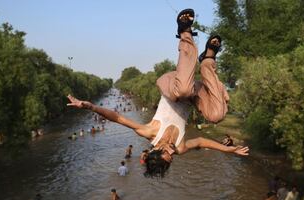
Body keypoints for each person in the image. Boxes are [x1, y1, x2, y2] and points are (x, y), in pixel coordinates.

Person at [67, 8, 249, 178]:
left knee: (183, 89)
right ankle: (208, 59)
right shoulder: (179, 148)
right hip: (192, 95)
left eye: (167, 154)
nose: (172, 152)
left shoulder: (150, 131)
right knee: (216, 115)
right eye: (172, 156)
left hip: (173, 85)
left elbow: (117, 117)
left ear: (155, 151)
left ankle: (184, 31)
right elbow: (201, 141)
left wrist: (89, 106)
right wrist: (228, 150)